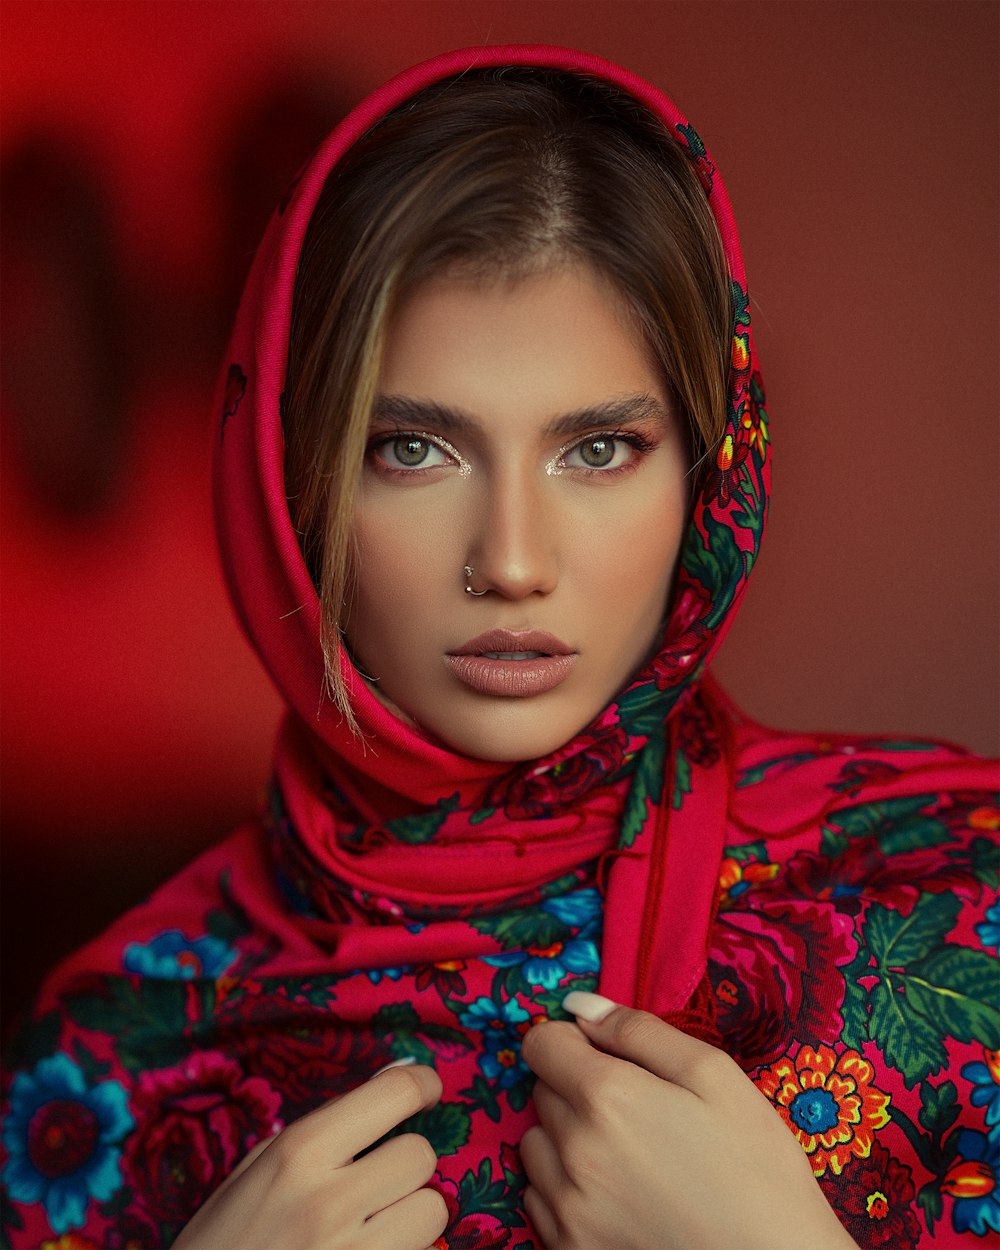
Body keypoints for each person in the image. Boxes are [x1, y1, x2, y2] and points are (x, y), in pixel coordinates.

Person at [2, 44, 997, 1250]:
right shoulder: (109, 1050)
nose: (512, 558)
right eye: (412, 450)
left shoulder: (955, 901)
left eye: (598, 449)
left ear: (708, 475)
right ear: (287, 482)